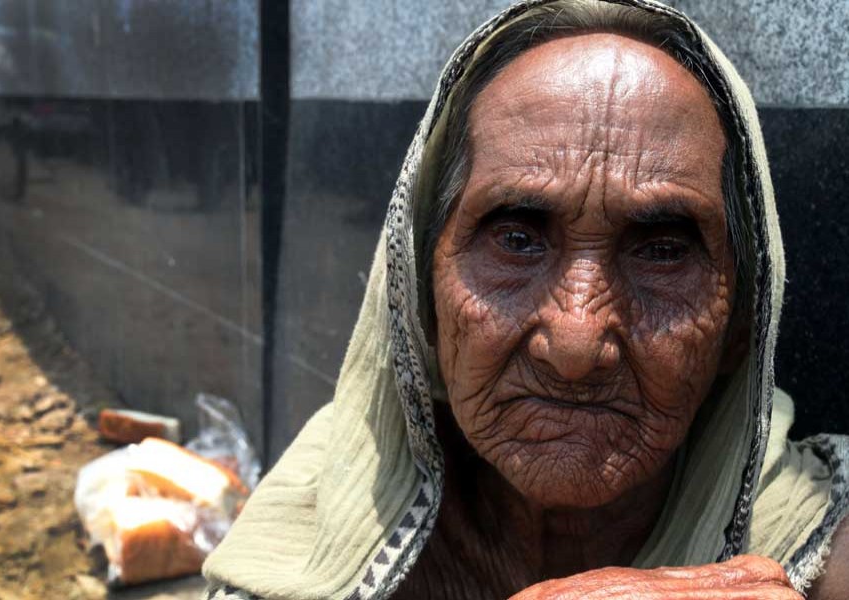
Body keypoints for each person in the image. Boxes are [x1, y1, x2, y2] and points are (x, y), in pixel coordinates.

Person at [202, 1, 849, 598]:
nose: (574, 342)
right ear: (418, 295)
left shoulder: (802, 520)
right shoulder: (316, 519)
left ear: (742, 321)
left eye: (661, 251)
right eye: (516, 241)